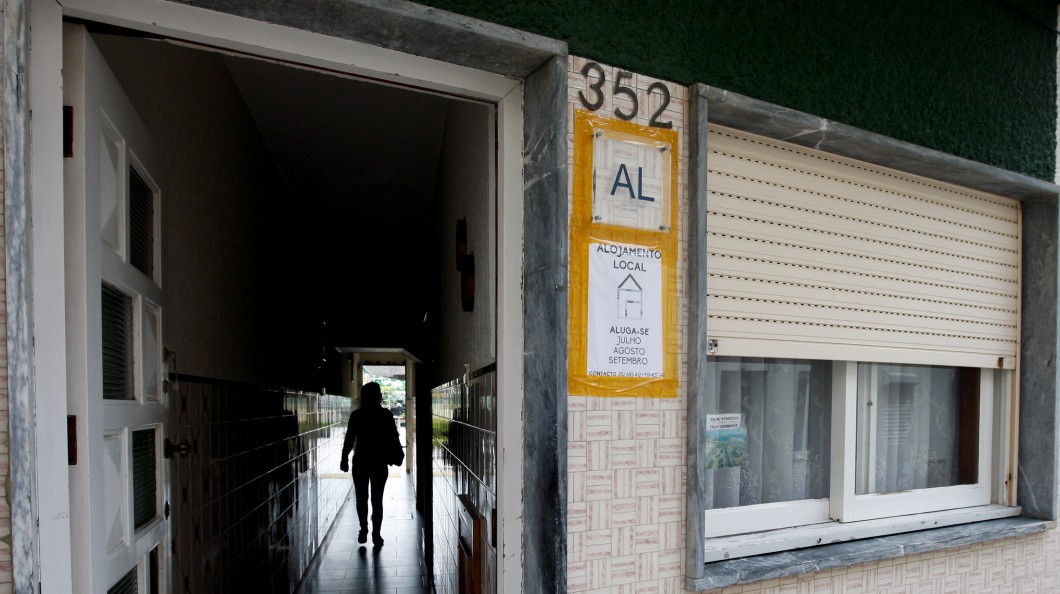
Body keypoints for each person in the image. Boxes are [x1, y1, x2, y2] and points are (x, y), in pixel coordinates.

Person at [339, 382, 398, 546]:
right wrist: (395, 454)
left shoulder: (357, 415)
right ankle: (376, 534)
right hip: (379, 462)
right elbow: (393, 437)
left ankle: (363, 528)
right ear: (378, 396)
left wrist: (344, 458)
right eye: (379, 394)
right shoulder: (385, 415)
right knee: (377, 500)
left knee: (361, 498)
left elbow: (349, 439)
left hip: (360, 462)